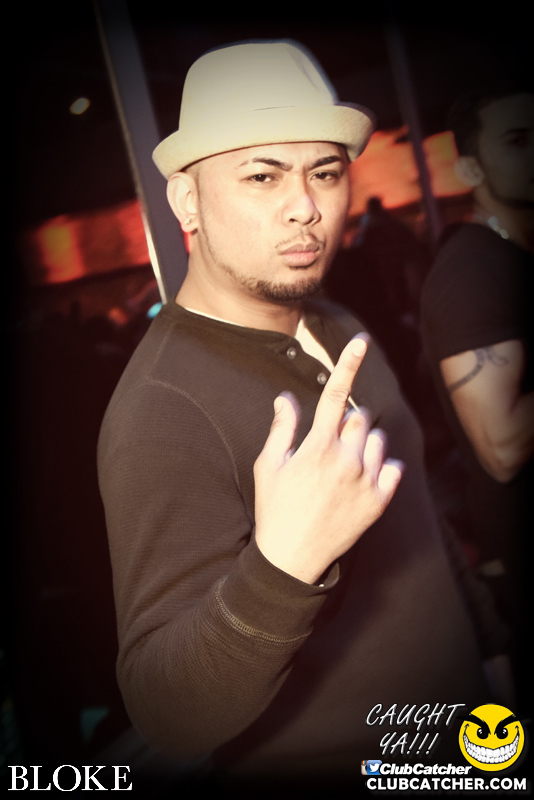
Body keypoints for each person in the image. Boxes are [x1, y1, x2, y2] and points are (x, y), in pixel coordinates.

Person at [98, 41, 499, 794]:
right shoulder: (164, 405)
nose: (306, 206)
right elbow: (166, 712)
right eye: (263, 175)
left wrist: (489, 646)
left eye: (325, 172)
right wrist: (282, 565)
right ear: (187, 201)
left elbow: (414, 511)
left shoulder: (339, 323)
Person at [420, 81, 533, 703]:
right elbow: (503, 446)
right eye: (517, 140)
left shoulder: (515, 257)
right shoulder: (472, 270)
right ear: (470, 168)